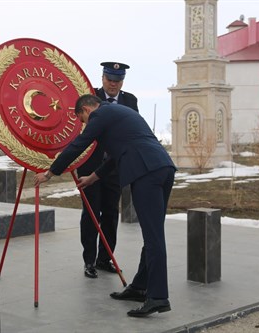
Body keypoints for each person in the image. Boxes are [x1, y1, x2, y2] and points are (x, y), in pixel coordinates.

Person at [34, 94, 176, 318]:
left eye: (82, 120)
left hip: (146, 172)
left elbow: (79, 144)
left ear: (86, 110)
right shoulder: (119, 114)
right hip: (162, 167)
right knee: (153, 233)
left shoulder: (100, 114)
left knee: (153, 237)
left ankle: (158, 297)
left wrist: (51, 172)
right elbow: (117, 156)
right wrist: (93, 178)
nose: (85, 125)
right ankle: (140, 287)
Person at [77, 62, 139, 279]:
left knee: (111, 214)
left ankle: (105, 258)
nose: (113, 84)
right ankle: (89, 261)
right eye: (110, 79)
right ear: (102, 78)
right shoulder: (89, 97)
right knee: (91, 214)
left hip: (114, 167)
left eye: (118, 81)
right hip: (89, 167)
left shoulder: (130, 100)